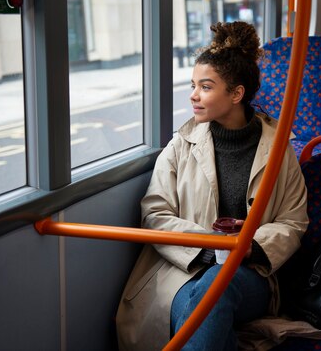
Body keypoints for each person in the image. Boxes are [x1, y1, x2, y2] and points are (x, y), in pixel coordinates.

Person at [116, 21, 308, 350]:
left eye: (205, 87)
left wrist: (249, 247)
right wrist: (205, 249)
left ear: (236, 94)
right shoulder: (181, 144)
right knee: (202, 308)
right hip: (183, 271)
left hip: (249, 275)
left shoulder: (278, 149)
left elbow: (293, 220)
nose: (193, 95)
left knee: (218, 286)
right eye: (193, 85)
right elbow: (155, 212)